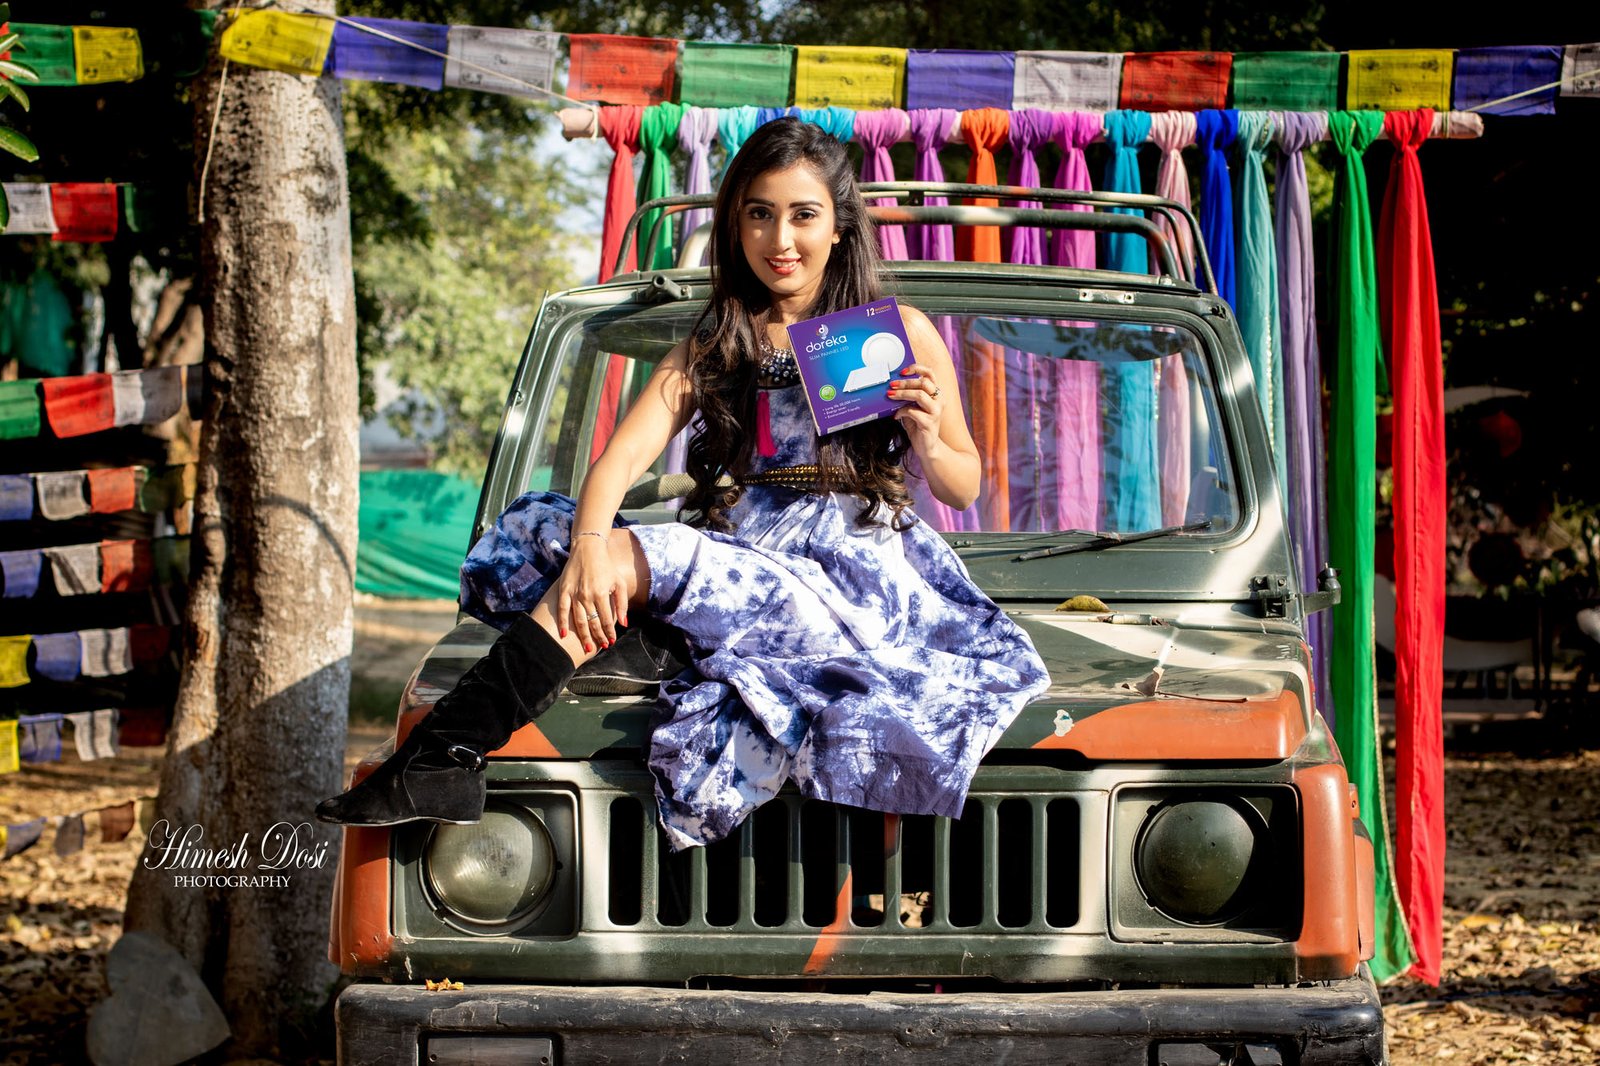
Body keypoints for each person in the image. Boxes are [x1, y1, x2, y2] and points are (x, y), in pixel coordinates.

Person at [317, 117, 1050, 850]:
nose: (780, 239)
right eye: (759, 214)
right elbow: (618, 460)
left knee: (642, 552)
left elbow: (961, 485)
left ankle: (442, 755)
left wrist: (927, 434)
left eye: (803, 215)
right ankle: (559, 691)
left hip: (846, 578)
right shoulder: (719, 338)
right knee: (538, 527)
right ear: (736, 224)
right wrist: (589, 546)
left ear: (839, 226)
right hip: (746, 548)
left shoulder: (900, 332)